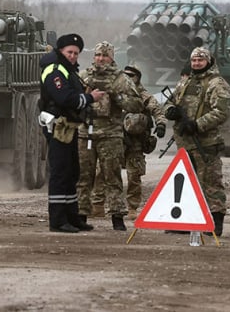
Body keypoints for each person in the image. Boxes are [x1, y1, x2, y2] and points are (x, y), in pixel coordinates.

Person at [39, 33, 105, 233]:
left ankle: (72, 217)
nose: (73, 56)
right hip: (58, 126)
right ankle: (58, 220)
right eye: (70, 52)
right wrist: (90, 98)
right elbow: (64, 97)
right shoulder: (55, 69)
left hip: (69, 126)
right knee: (60, 172)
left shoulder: (68, 70)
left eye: (76, 53)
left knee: (72, 171)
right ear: (61, 51)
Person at [163, 47, 230, 236]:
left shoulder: (217, 84)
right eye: (193, 60)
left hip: (206, 143)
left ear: (208, 61)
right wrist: (170, 111)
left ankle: (215, 222)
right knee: (184, 182)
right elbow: (170, 101)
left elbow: (222, 112)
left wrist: (198, 124)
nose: (196, 64)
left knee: (211, 182)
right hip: (184, 143)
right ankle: (184, 220)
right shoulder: (185, 81)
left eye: (200, 60)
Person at [76, 42, 143, 231]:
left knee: (112, 176)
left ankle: (117, 215)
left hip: (110, 134)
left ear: (112, 57)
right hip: (86, 132)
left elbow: (137, 105)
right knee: (83, 176)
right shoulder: (84, 77)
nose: (101, 59)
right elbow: (72, 99)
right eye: (98, 55)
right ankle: (81, 214)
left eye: (105, 56)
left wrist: (118, 98)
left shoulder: (120, 79)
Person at [120, 65, 166, 218]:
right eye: (125, 74)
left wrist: (161, 124)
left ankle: (132, 207)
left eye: (131, 75)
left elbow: (157, 111)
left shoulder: (144, 95)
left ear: (137, 78)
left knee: (134, 175)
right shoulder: (116, 92)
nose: (128, 78)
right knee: (106, 173)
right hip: (116, 140)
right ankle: (102, 205)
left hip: (135, 142)